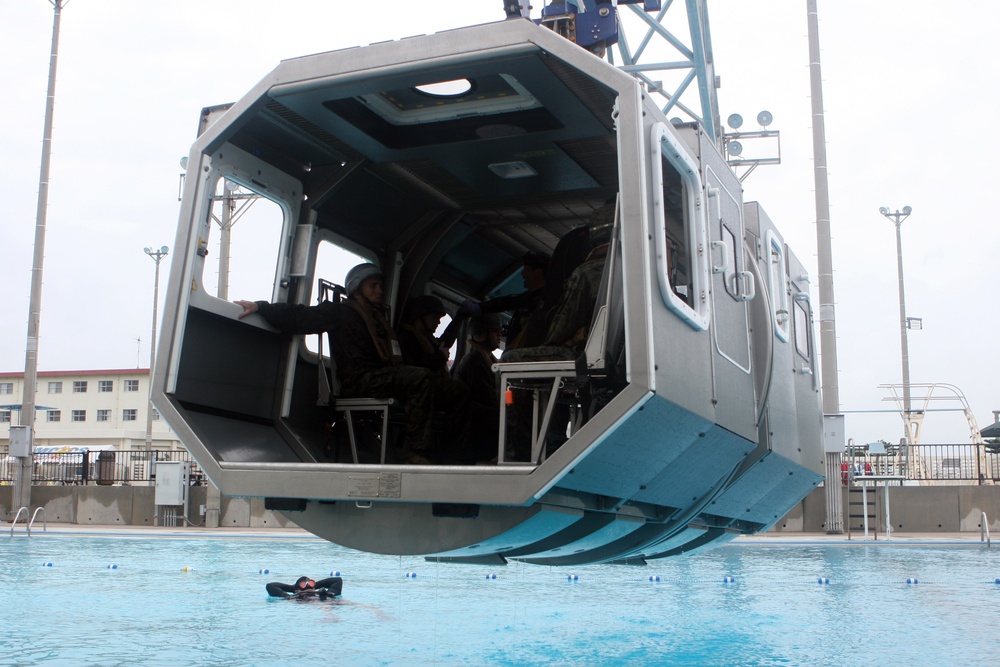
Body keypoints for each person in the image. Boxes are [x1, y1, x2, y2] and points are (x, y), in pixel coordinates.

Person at [235, 263, 469, 465]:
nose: (379, 291)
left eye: (380, 286)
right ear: (357, 289)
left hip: (384, 377)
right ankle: (417, 454)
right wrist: (262, 307)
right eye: (373, 286)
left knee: (457, 391)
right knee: (419, 378)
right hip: (360, 380)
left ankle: (452, 456)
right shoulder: (341, 312)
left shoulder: (378, 319)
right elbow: (300, 316)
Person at [457, 251, 549, 350]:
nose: (522, 274)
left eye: (526, 269)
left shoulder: (546, 302)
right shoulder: (529, 298)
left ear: (538, 272)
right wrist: (480, 307)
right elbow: (505, 302)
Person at [452, 314, 503, 462]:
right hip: (477, 424)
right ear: (480, 335)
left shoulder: (488, 359)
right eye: (494, 331)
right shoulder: (472, 361)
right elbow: (487, 397)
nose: (499, 334)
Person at [266, 575, 343, 600]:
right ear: (296, 590)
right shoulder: (292, 597)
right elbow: (270, 586)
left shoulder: (325, 593)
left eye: (311, 585)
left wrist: (315, 587)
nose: (308, 588)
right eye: (303, 585)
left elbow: (337, 580)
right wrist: (292, 589)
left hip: (325, 599)